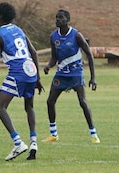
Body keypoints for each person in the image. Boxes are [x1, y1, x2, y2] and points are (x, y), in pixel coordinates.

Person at [0, 2, 44, 161]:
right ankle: (34, 142)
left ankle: (18, 142)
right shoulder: (19, 30)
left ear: (0, 16)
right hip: (30, 69)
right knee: (29, 106)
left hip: (18, 71)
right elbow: (33, 52)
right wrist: (38, 78)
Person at [42, 9, 100, 143]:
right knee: (50, 101)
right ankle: (53, 134)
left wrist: (93, 77)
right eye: (56, 17)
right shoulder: (53, 36)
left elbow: (89, 55)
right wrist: (48, 66)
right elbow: (54, 57)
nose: (57, 20)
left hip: (75, 74)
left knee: (82, 102)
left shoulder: (76, 35)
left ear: (67, 20)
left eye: (60, 18)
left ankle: (93, 134)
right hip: (61, 74)